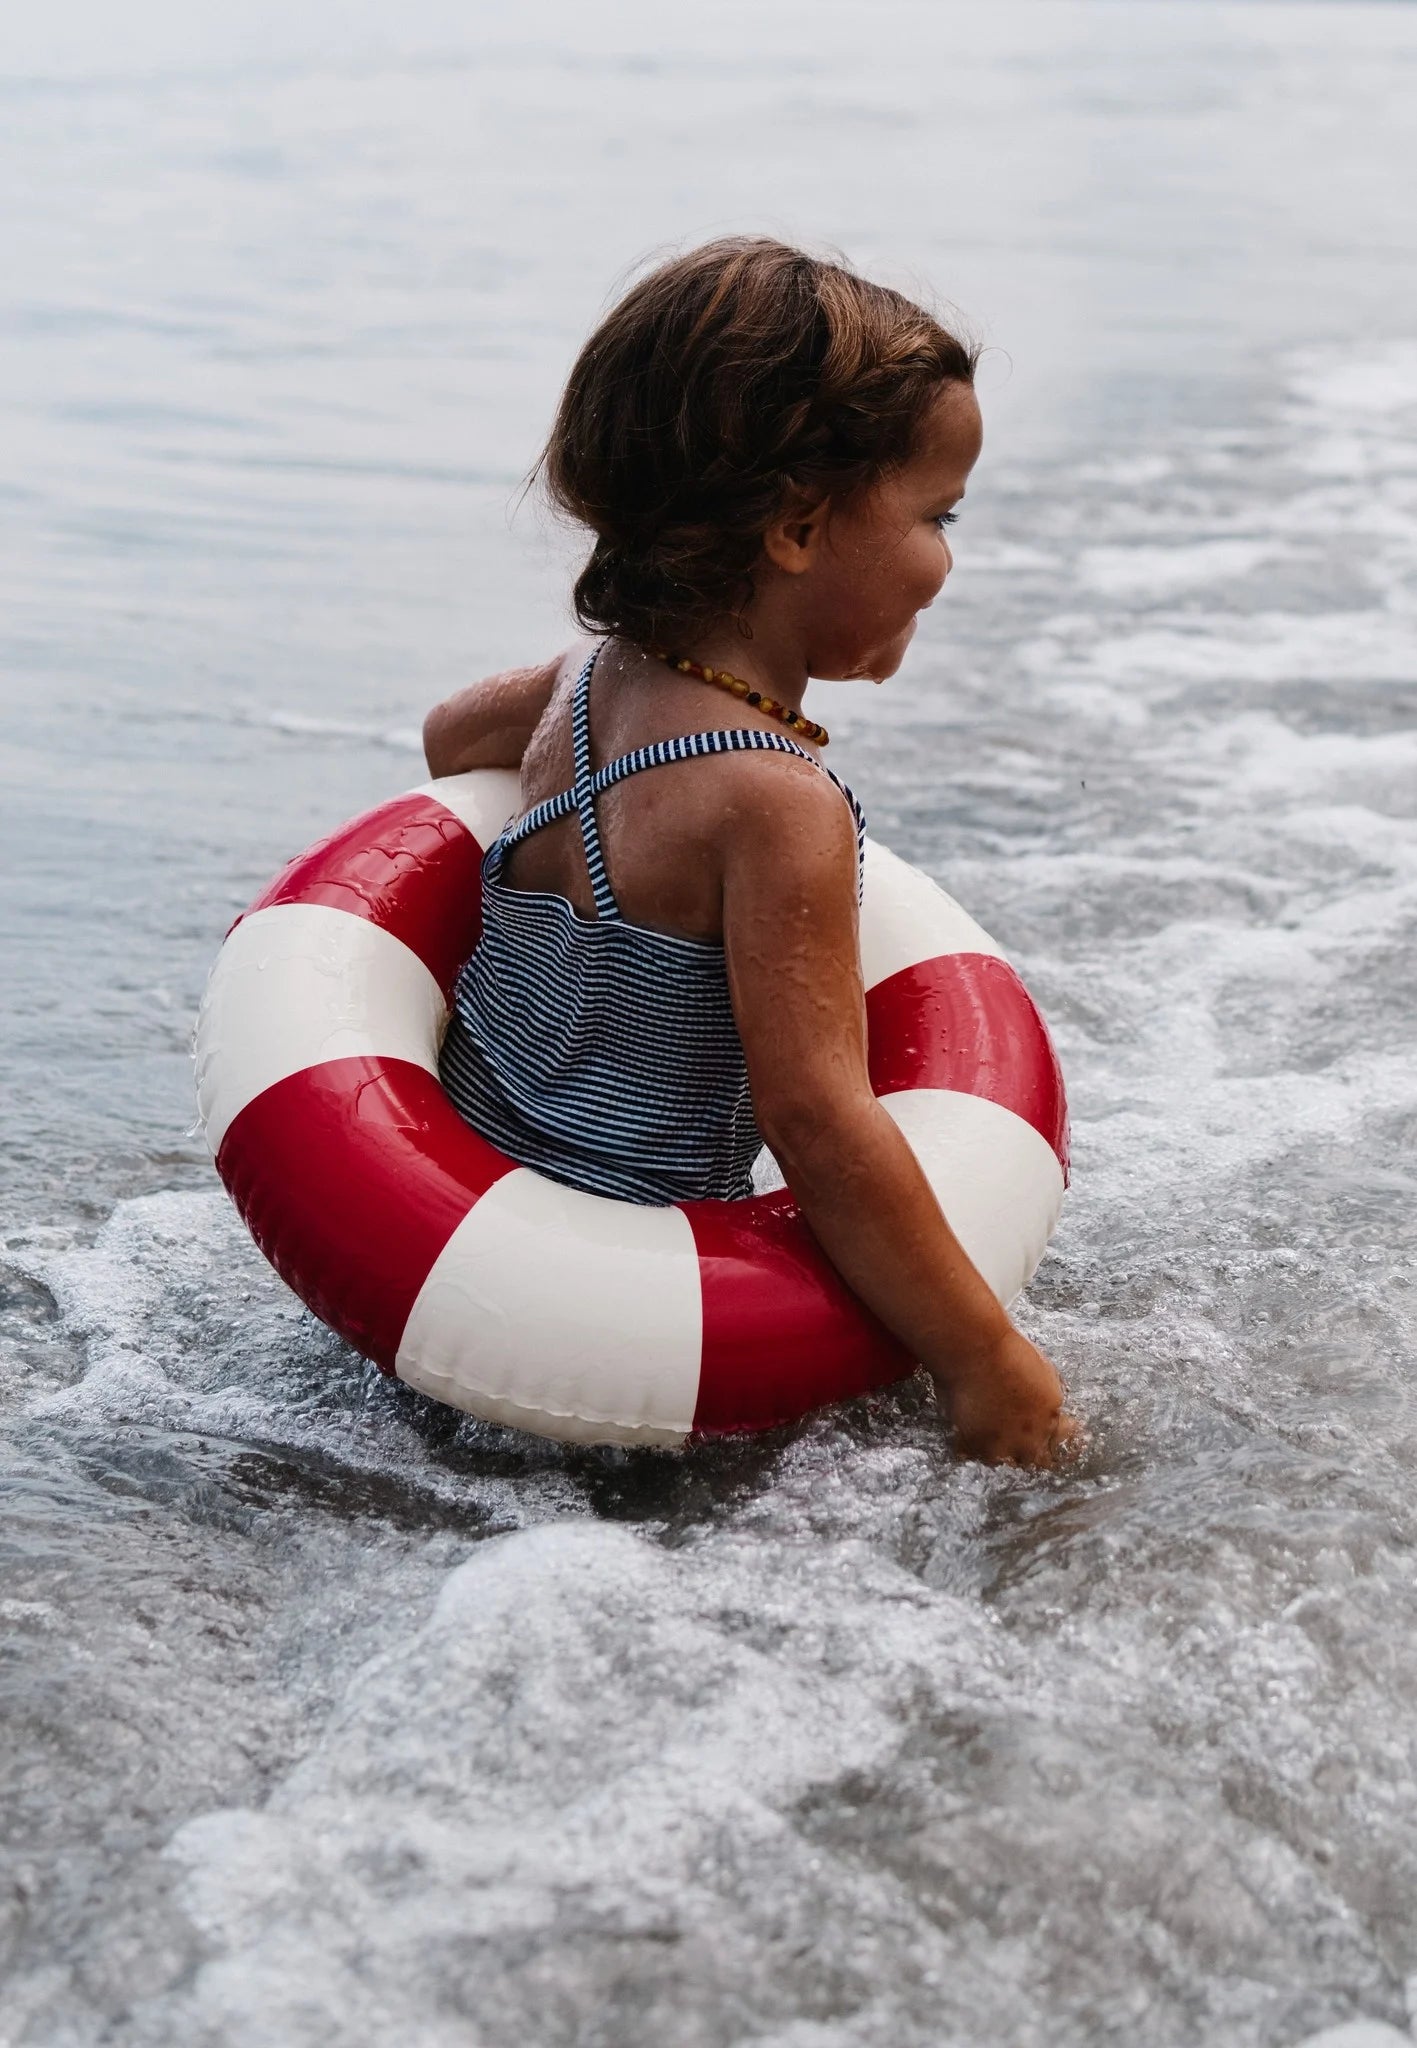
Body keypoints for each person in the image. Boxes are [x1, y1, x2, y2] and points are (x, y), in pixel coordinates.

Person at [423, 237, 1076, 1469]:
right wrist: (988, 1361)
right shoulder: (774, 805)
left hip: (452, 1294)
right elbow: (821, 1123)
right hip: (631, 1362)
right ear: (796, 528)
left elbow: (448, 733)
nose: (947, 557)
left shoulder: (575, 692)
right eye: (936, 515)